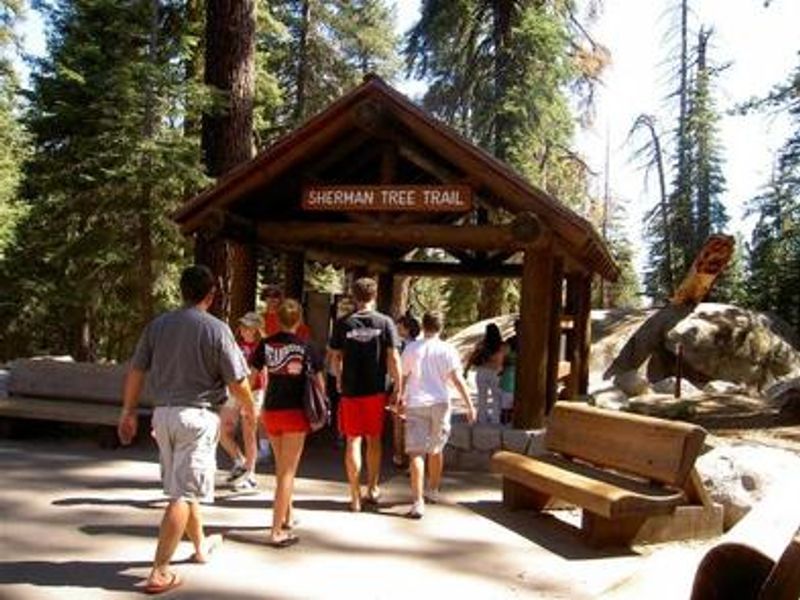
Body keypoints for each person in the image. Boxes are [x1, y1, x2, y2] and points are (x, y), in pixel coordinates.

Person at [118, 265, 255, 594]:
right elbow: (237, 380)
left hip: (162, 416)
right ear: (211, 294)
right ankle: (159, 570)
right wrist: (250, 408)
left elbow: (137, 371)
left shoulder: (158, 325)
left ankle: (199, 547)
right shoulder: (217, 330)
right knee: (182, 493)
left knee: (184, 484)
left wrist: (128, 411)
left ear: (182, 290)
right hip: (197, 417)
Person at [253, 299, 324, 547]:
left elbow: (253, 375)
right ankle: (276, 530)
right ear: (300, 320)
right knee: (288, 471)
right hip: (295, 412)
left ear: (278, 318)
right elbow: (319, 382)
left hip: (271, 410)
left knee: (282, 468)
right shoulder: (307, 347)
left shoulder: (265, 344)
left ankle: (288, 514)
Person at [328, 277, 402, 512]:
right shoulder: (385, 322)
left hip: (350, 390)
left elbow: (335, 357)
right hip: (375, 390)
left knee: (352, 440)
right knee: (374, 440)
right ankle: (372, 487)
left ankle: (354, 496)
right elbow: (393, 357)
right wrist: (399, 385)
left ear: (353, 295)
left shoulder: (343, 323)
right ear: (374, 294)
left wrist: (339, 379)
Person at [399, 312, 476, 518]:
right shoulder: (448, 349)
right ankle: (433, 489)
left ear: (423, 326)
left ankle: (417, 501)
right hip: (440, 402)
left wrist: (399, 396)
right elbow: (457, 379)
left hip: (415, 403)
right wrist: (469, 404)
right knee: (436, 448)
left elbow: (404, 375)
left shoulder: (412, 348)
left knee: (416, 452)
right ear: (441, 327)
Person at [219, 311, 266, 491]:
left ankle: (250, 473)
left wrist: (263, 399)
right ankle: (240, 462)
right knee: (222, 429)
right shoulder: (237, 345)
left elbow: (264, 374)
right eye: (243, 326)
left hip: (254, 393)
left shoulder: (262, 347)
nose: (244, 329)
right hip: (235, 391)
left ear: (257, 329)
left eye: (249, 327)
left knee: (249, 433)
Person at [392, 312, 420, 467]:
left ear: (407, 329)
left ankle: (398, 455)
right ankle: (411, 459)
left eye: (400, 327)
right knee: (412, 426)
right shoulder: (419, 346)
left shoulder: (400, 346)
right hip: (416, 389)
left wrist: (397, 389)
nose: (397, 330)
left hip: (401, 386)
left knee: (398, 424)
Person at [465, 323, 507, 424]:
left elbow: (472, 357)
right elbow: (504, 359)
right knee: (496, 397)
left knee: (482, 396)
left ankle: (482, 418)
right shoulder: (502, 345)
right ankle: (495, 419)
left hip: (482, 371)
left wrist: (466, 370)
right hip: (496, 372)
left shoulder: (481, 345)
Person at [499, 319, 520, 425]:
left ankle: (506, 419)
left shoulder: (510, 341)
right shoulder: (528, 340)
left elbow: (503, 357)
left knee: (506, 398)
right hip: (514, 372)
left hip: (509, 372)